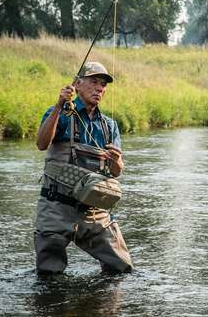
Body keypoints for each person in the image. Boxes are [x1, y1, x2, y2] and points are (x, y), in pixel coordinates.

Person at [34, 62, 133, 274]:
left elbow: (117, 171)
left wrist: (116, 161)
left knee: (122, 269)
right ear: (77, 85)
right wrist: (60, 106)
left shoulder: (109, 125)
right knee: (48, 275)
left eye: (103, 85)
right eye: (94, 82)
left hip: (94, 213)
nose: (99, 88)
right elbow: (42, 144)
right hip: (56, 208)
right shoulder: (58, 113)